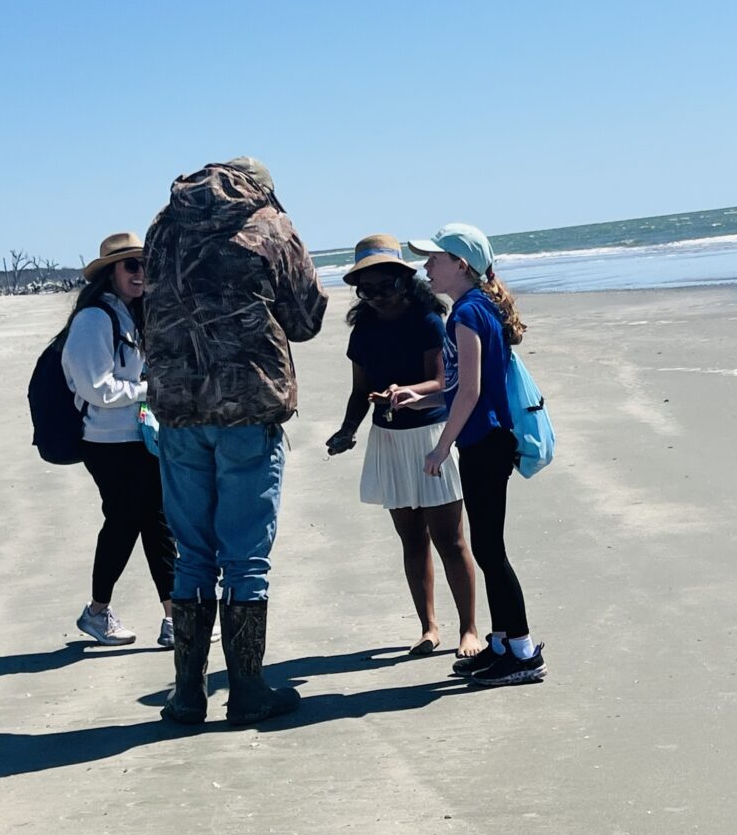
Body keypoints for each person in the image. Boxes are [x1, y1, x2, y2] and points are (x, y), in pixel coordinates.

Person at [143, 157, 328, 726]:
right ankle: (247, 691)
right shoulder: (271, 225)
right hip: (247, 405)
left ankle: (187, 695)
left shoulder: (162, 226)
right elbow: (306, 319)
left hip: (177, 408)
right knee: (245, 557)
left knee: (193, 555)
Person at [394, 224, 547, 686]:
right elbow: (460, 386)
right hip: (486, 440)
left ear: (461, 265)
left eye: (434, 260)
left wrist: (440, 447)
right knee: (485, 547)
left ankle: (521, 650)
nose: (426, 267)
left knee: (490, 550)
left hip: (486, 442)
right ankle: (500, 644)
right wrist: (416, 399)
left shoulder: (467, 313)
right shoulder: (475, 307)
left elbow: (473, 391)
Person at [326, 234, 481, 658]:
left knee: (449, 539)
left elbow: (443, 383)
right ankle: (429, 628)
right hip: (388, 439)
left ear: (404, 280)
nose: (376, 297)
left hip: (432, 435)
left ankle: (469, 629)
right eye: (366, 290)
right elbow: (360, 390)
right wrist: (347, 431)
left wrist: (405, 390)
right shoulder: (364, 328)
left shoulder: (427, 319)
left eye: (385, 287)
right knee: (411, 540)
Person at [61, 232, 176, 647]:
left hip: (138, 438)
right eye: (130, 265)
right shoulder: (94, 319)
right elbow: (97, 389)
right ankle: (103, 611)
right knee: (134, 521)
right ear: (109, 273)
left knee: (149, 521)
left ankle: (167, 616)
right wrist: (149, 389)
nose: (140, 273)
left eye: (145, 264)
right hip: (107, 444)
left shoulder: (131, 314)